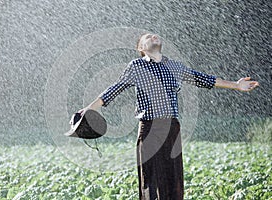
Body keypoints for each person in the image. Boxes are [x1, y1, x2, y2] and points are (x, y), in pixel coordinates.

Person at [71, 33, 259, 200]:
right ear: (141, 48)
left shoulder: (175, 66)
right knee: (151, 178)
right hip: (149, 127)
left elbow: (204, 79)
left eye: (155, 35)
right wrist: (89, 108)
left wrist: (236, 85)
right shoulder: (136, 66)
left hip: (172, 128)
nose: (154, 37)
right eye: (148, 37)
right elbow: (114, 89)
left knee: (173, 177)